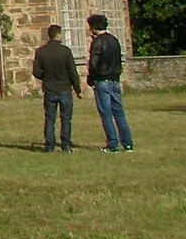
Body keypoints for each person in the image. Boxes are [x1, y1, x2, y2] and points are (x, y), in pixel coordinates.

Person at [85, 13, 133, 152]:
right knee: (119, 112)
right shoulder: (114, 40)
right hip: (115, 79)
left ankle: (112, 143)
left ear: (94, 27)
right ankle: (127, 142)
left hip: (102, 80)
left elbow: (94, 63)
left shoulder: (97, 42)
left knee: (105, 112)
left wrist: (91, 78)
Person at [32, 24, 78, 153]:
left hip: (49, 88)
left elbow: (36, 71)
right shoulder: (65, 51)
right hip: (64, 88)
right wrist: (77, 88)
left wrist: (45, 77)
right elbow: (72, 71)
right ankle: (66, 145)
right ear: (58, 35)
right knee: (66, 119)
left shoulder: (41, 51)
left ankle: (49, 145)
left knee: (49, 119)